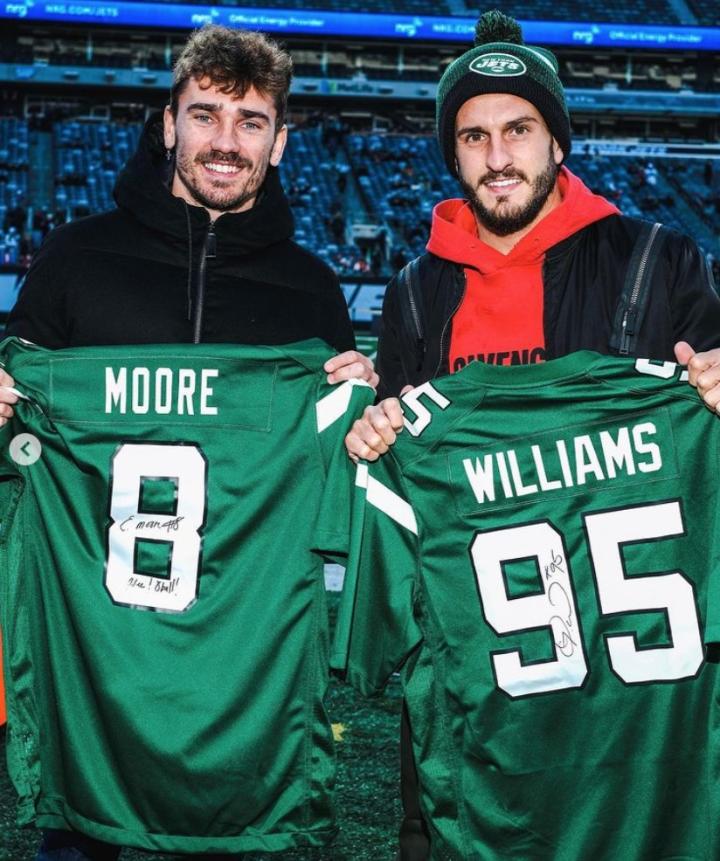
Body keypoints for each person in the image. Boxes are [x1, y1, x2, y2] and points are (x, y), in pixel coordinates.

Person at [344, 10, 720, 860]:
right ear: (452, 155)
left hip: (634, 694)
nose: (498, 155)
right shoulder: (414, 293)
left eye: (518, 128)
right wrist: (372, 436)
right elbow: (404, 476)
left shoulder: (660, 260)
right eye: (473, 136)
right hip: (478, 686)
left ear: (557, 140)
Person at [0, 23, 375, 861]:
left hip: (239, 679)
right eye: (205, 115)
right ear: (169, 124)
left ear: (280, 142)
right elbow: (18, 441)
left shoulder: (310, 289)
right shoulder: (76, 259)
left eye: (251, 121)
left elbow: (335, 480)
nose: (225, 141)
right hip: (94, 662)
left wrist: (356, 410)